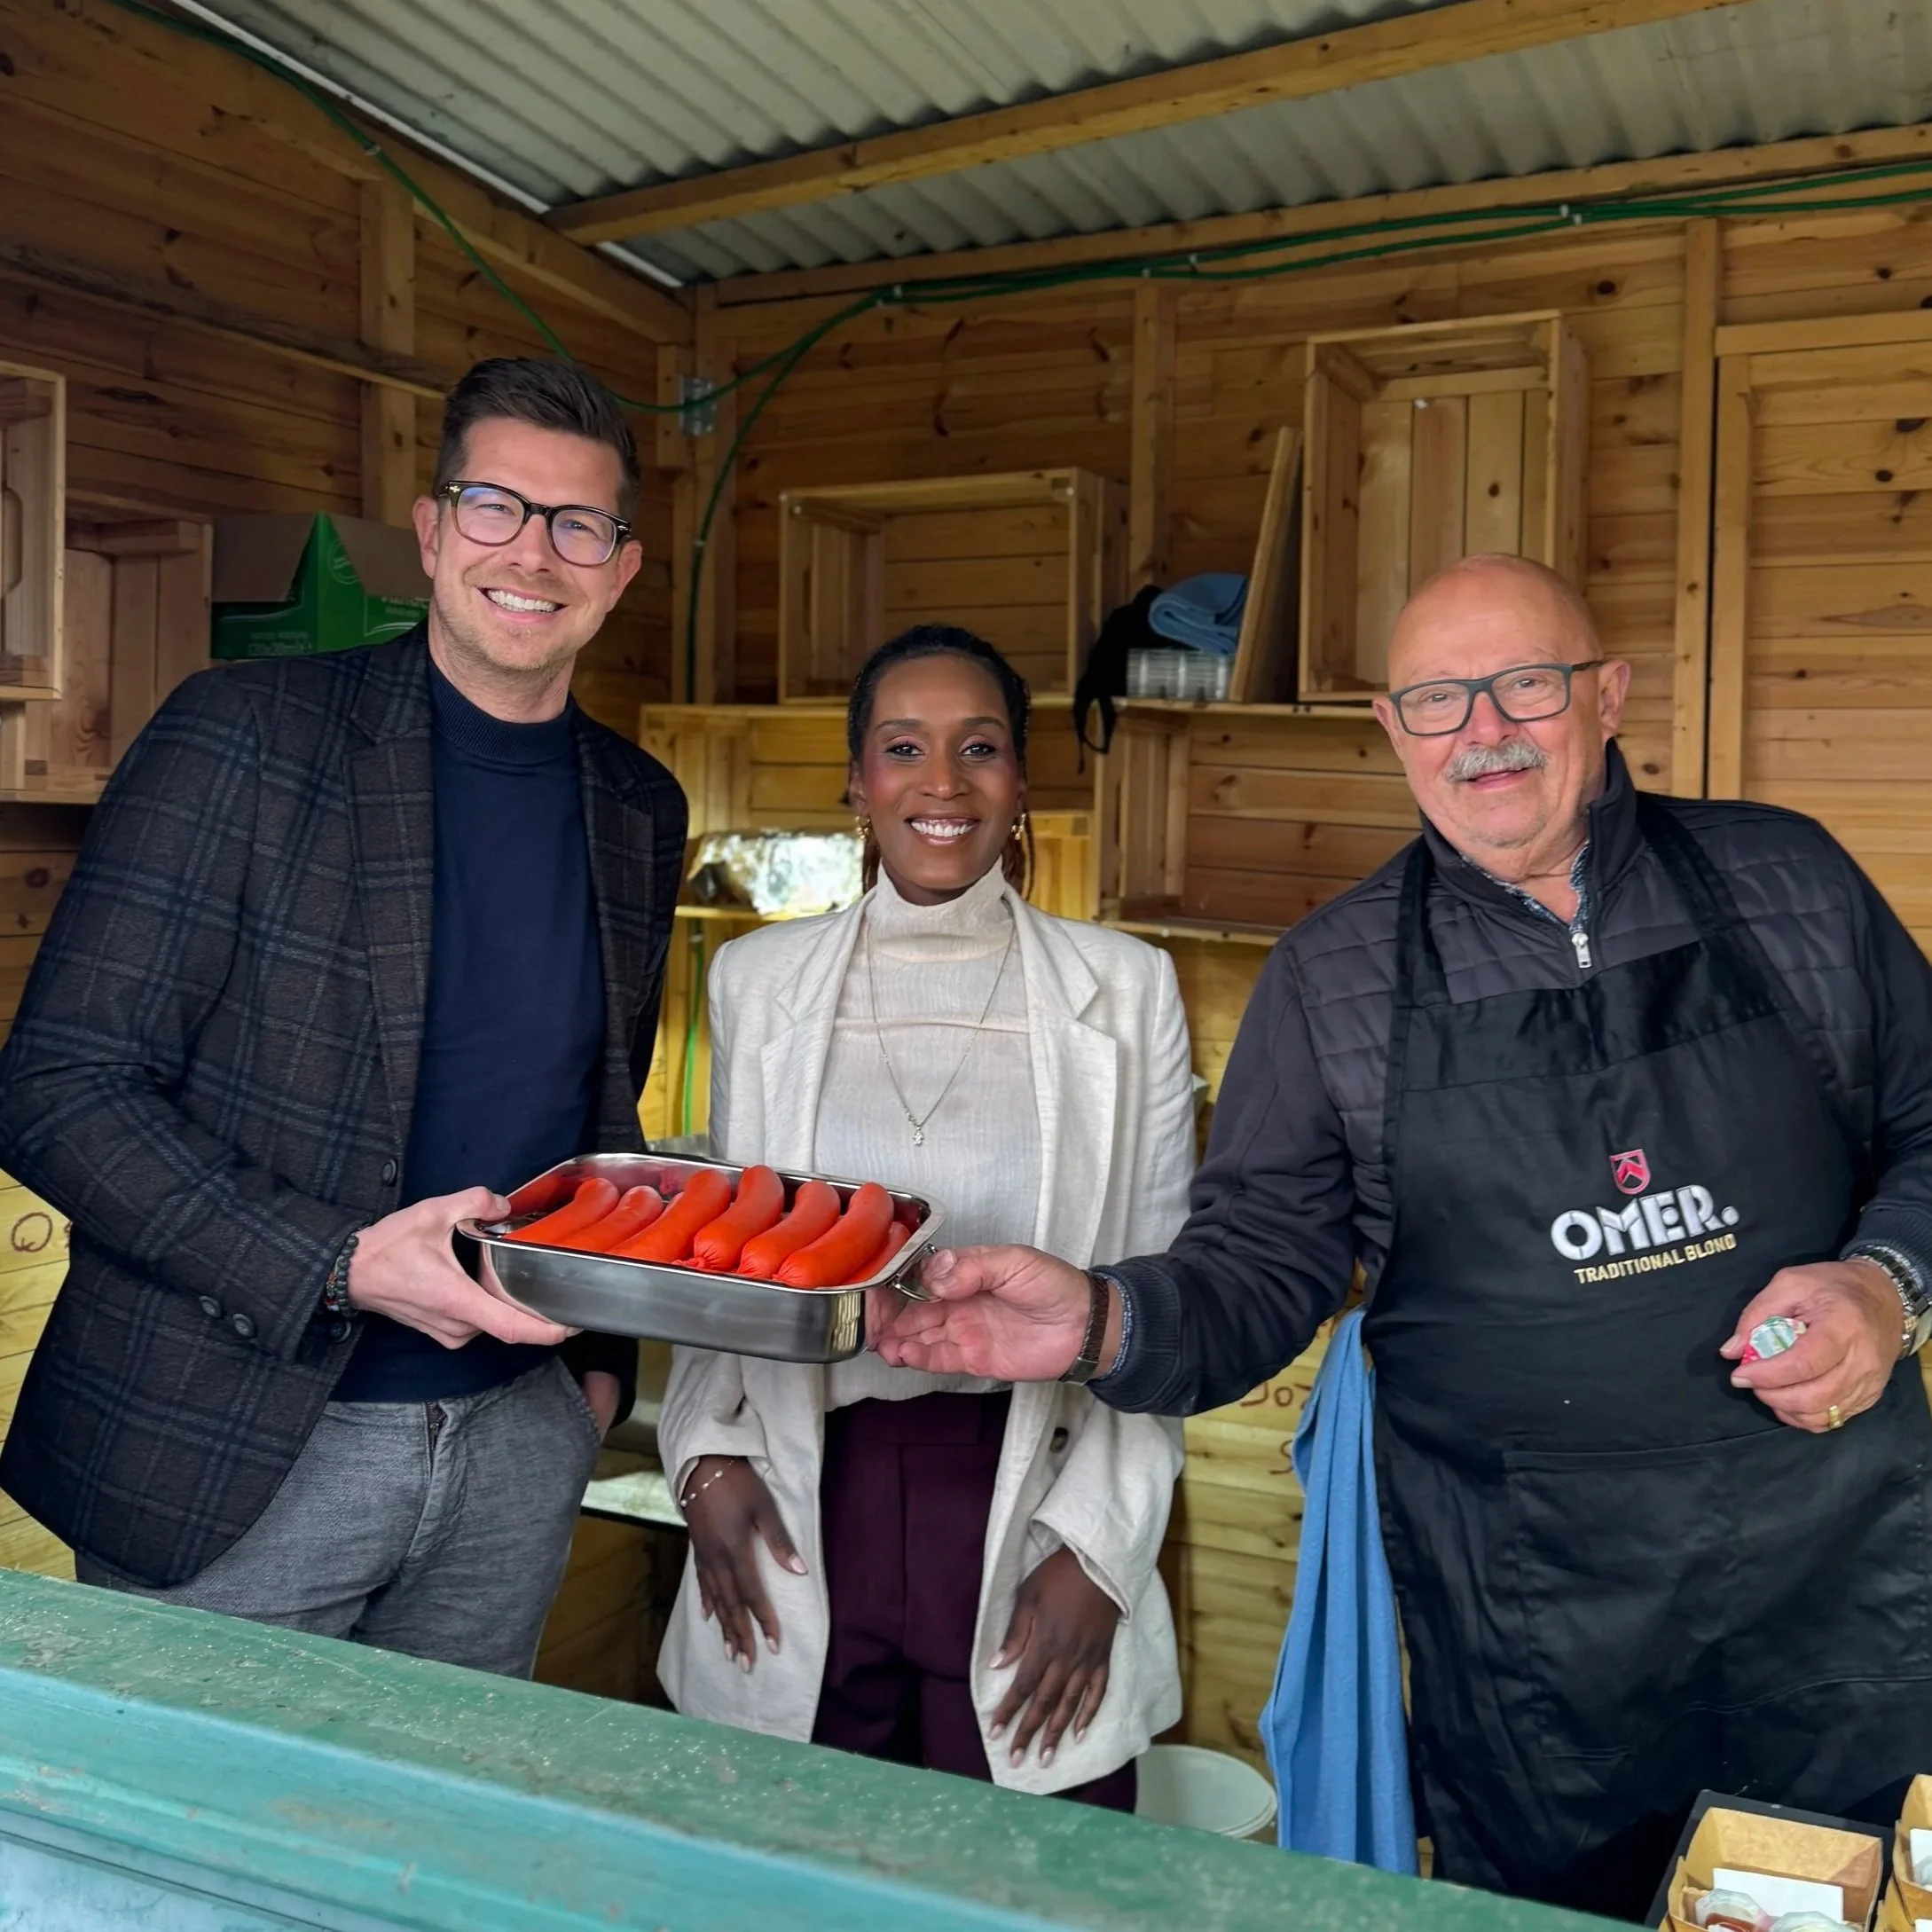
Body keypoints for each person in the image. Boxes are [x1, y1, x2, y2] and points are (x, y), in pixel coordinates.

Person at [880, 554, 1932, 1915]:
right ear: (1391, 728)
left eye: (1525, 685)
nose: (1482, 730)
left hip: (1828, 1593)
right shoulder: (1333, 978)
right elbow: (1260, 1262)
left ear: (1604, 696)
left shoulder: (1786, 882)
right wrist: (1101, 1318)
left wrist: (1886, 1281)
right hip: (1536, 1638)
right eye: (1437, 699)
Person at [0, 357, 687, 1677]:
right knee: (196, 1881)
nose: (532, 553)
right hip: (234, 1458)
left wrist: (593, 1368)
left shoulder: (636, 806)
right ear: (431, 533)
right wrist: (341, 1261)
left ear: (621, 565)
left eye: (576, 524)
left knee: (427, 1863)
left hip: (510, 1449)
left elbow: (596, 1110)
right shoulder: (245, 734)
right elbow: (57, 1085)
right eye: (494, 505)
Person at [656, 625, 1193, 1805]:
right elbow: (721, 1255)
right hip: (806, 1486)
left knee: (1031, 1888)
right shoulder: (755, 983)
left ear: (1021, 782)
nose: (942, 780)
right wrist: (700, 1458)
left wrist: (1103, 1553)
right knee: (793, 1866)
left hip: (1031, 1494)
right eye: (904, 747)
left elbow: (1159, 1295)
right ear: (857, 779)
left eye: (979, 746)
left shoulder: (1125, 987)